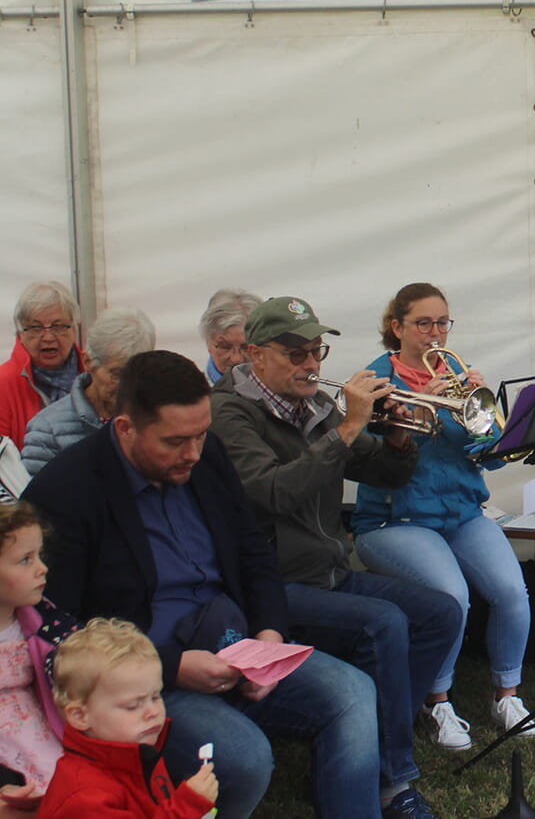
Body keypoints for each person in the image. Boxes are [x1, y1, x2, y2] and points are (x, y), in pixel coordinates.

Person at [23, 350, 413, 819]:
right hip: (146, 680)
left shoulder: (204, 455)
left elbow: (253, 550)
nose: (192, 452)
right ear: (125, 428)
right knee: (243, 757)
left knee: (352, 693)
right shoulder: (65, 492)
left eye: (201, 435)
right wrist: (172, 667)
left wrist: (269, 632)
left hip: (237, 646)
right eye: (174, 442)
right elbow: (59, 630)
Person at [209, 297, 460, 807]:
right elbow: (272, 492)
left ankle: (370, 735)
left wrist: (395, 437)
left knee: (440, 613)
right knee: (384, 623)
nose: (312, 365)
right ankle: (393, 782)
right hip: (270, 585)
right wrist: (348, 428)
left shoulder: (314, 406)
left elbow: (384, 474)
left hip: (326, 571)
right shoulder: (228, 412)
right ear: (256, 355)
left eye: (317, 351)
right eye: (296, 353)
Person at [351, 283, 535, 750]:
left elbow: (492, 460)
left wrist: (480, 415)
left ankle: (507, 694)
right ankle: (437, 702)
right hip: (396, 520)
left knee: (513, 591)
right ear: (397, 328)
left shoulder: (455, 372)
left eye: (442, 323)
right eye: (423, 323)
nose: (435, 334)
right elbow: (370, 456)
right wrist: (417, 407)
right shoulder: (372, 382)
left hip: (460, 512)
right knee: (451, 596)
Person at [41, 617, 219, 819]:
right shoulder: (86, 798)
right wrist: (187, 807)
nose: (153, 711)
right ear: (80, 716)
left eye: (155, 696)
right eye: (133, 706)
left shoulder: (135, 754)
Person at [0, 503, 79, 818]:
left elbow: (84, 656)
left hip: (41, 727)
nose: (42, 568)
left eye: (39, 556)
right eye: (24, 560)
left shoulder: (44, 621)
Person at [22, 307, 155, 475]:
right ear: (88, 362)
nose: (128, 385)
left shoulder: (155, 417)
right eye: (117, 374)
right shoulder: (47, 430)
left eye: (138, 374)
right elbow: (35, 499)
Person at [0, 283, 83, 450]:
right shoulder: (3, 383)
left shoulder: (93, 376)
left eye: (58, 326)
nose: (47, 337)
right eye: (35, 328)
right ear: (20, 334)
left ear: (74, 330)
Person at [199, 289, 261, 384]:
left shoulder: (282, 388)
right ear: (208, 344)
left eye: (246, 348)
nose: (236, 359)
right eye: (225, 347)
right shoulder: (195, 392)